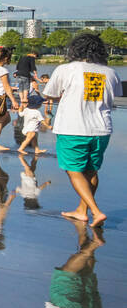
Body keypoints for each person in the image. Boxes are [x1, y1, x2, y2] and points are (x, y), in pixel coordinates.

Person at [42, 33, 119, 227]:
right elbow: (112, 99)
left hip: (73, 127)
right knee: (91, 171)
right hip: (101, 129)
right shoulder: (110, 72)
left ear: (74, 49)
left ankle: (95, 211)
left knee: (73, 170)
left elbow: (50, 94)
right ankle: (81, 210)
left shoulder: (66, 69)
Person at [17, 80, 50, 155]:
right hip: (31, 129)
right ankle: (21, 148)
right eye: (41, 104)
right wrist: (49, 126)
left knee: (34, 139)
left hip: (26, 128)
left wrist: (20, 106)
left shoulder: (27, 109)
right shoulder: (37, 112)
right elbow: (42, 121)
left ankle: (37, 149)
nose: (41, 105)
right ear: (37, 105)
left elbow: (20, 114)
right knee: (29, 138)